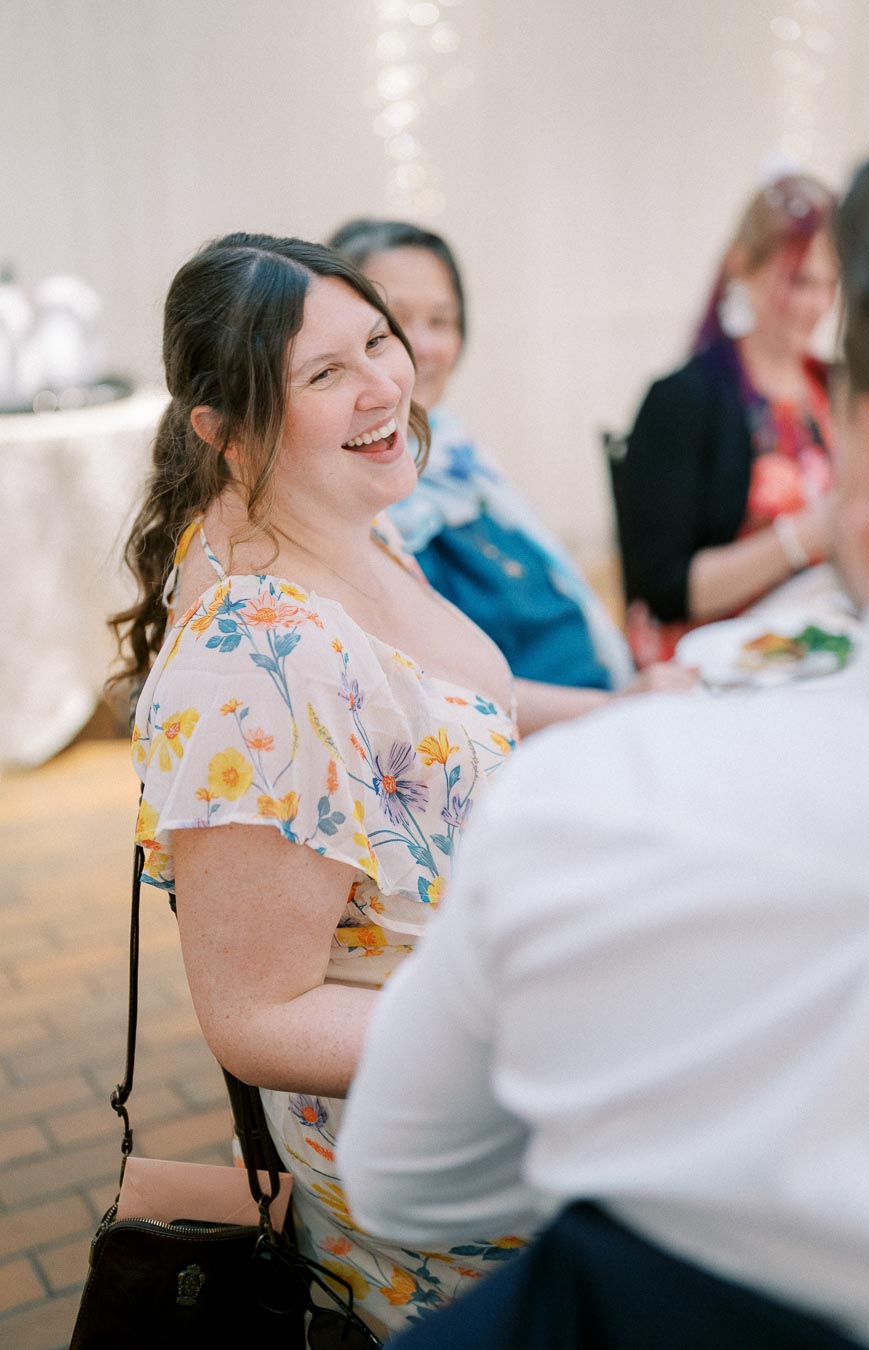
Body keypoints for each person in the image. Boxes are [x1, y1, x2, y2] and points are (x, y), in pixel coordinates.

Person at [339, 132, 869, 1349]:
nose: (409, 360)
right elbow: (643, 592)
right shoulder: (687, 404)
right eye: (383, 334)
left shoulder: (607, 819)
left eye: (427, 326)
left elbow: (410, 1177)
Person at [110, 232, 561, 1340]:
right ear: (223, 430)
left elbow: (451, 707)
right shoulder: (251, 660)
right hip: (442, 1162)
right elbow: (255, 1016)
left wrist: (649, 708)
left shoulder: (341, 517)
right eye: (324, 374)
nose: (385, 385)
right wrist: (540, 1028)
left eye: (378, 340)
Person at [328, 217, 693, 702]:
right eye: (393, 324)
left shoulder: (456, 453)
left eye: (442, 321)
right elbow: (434, 698)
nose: (427, 347)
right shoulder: (356, 492)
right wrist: (613, 707)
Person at [615, 174, 840, 664]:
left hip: (821, 638)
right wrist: (807, 535)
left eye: (830, 284)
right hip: (715, 660)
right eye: (800, 281)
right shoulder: (683, 401)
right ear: (743, 266)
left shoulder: (835, 388)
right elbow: (663, 589)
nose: (817, 305)